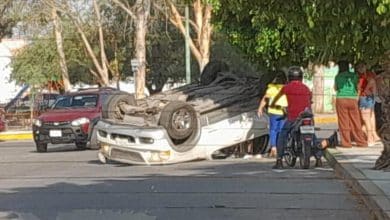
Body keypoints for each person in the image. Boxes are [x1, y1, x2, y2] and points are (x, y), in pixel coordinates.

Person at [270, 66, 338, 169]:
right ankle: (318, 159)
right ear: (301, 77)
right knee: (313, 135)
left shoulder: (286, 87)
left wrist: (278, 106)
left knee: (283, 134)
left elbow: (275, 100)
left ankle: (279, 160)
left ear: (289, 77)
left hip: (293, 117)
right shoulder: (306, 88)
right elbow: (310, 99)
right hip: (307, 117)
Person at [334, 60, 368, 148]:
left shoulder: (338, 76)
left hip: (341, 99)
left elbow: (335, 88)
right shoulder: (354, 75)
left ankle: (346, 143)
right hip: (352, 99)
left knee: (343, 121)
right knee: (356, 121)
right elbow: (358, 87)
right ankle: (361, 142)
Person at [257, 73, 288, 158]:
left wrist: (260, 108)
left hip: (273, 112)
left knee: (273, 130)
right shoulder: (286, 89)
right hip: (283, 112)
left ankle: (273, 147)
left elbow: (265, 99)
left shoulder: (271, 89)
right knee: (281, 130)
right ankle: (280, 147)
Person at [355, 62, 381, 146]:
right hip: (370, 98)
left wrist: (365, 90)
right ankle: (374, 135)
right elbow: (374, 82)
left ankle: (370, 139)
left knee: (366, 119)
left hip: (364, 97)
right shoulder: (371, 74)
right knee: (370, 116)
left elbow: (360, 88)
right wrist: (373, 93)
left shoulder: (363, 76)